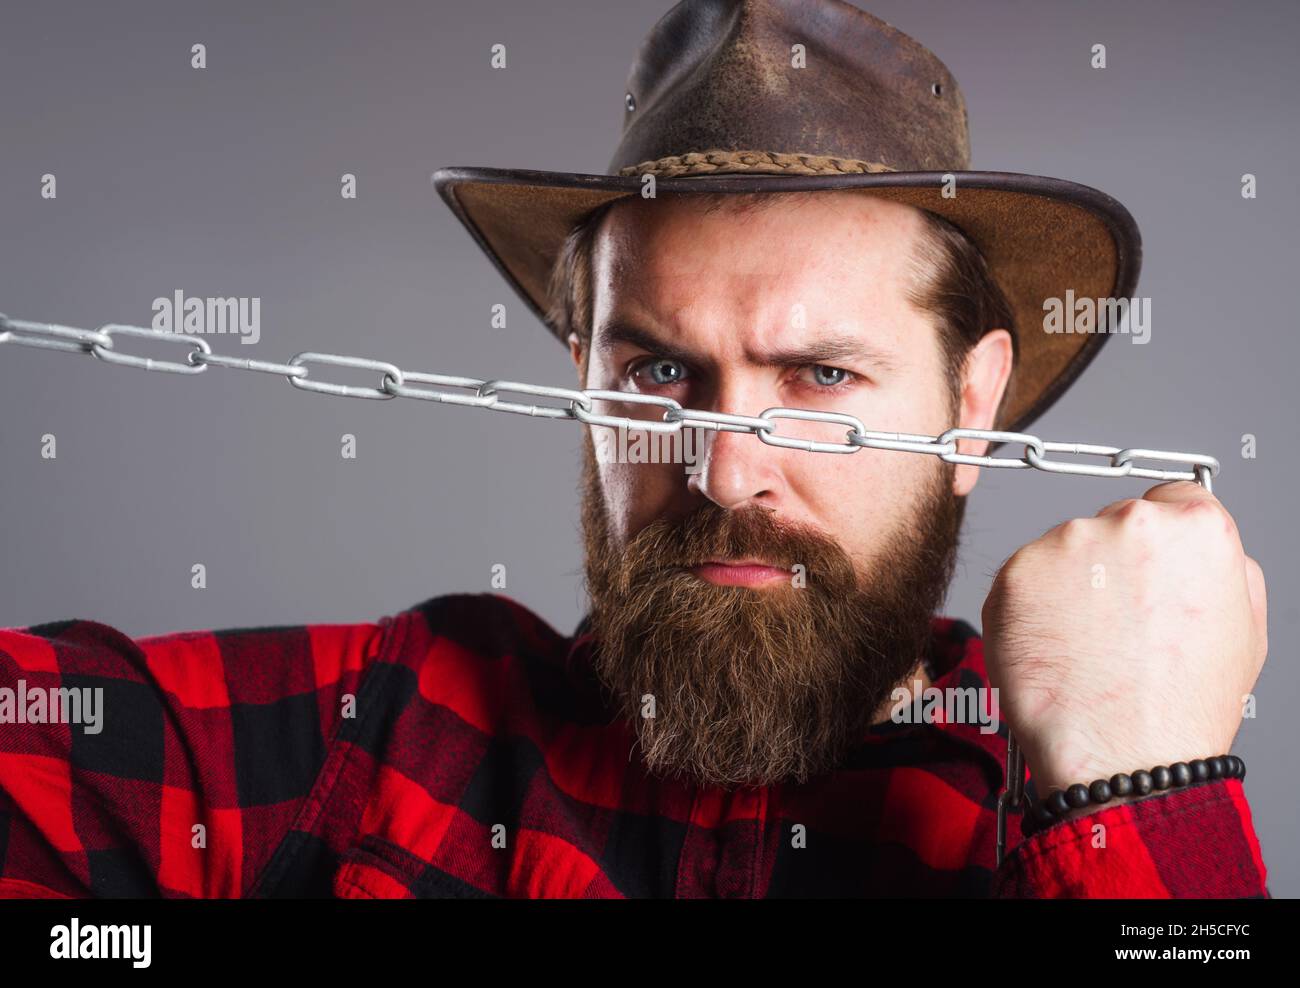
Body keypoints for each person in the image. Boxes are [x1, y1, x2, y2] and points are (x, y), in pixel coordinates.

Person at [0, 0, 1268, 897]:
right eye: (659, 370)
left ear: (969, 407)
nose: (725, 474)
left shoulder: (1054, 803)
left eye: (820, 377)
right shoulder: (382, 733)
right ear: (582, 379)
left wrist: (1134, 792)